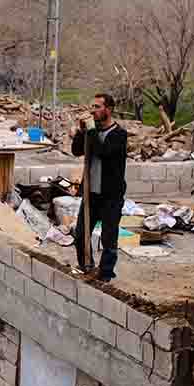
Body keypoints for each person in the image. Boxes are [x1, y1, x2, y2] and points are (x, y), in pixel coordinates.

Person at [70, 93, 128, 282]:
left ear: (108, 110)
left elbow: (104, 152)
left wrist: (92, 131)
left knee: (108, 238)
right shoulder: (91, 133)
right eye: (91, 106)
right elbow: (76, 151)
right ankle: (86, 266)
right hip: (91, 194)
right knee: (80, 235)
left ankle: (105, 274)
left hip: (111, 196)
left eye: (96, 107)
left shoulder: (119, 134)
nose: (92, 110)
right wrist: (81, 131)